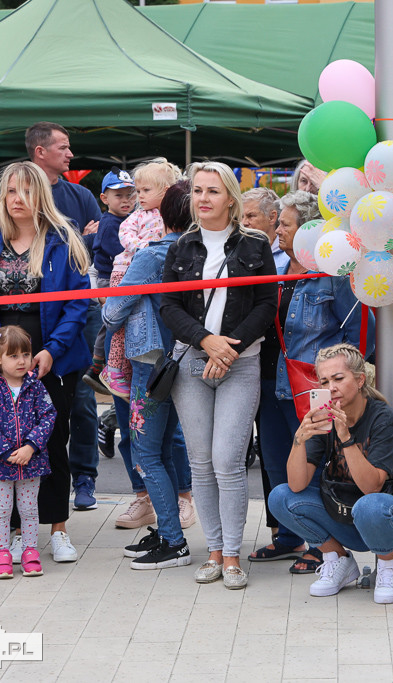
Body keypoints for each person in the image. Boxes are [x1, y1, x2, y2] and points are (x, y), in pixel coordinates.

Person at [0, 161, 91, 564]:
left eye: (27, 191)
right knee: (8, 444)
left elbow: (77, 303)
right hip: (0, 353)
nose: (18, 199)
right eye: (12, 191)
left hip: (53, 354)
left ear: (42, 196)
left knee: (51, 442)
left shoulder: (63, 239)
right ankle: (19, 532)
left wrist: (52, 349)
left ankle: (57, 530)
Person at [161, 161, 277, 590]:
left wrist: (229, 347)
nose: (203, 199)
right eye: (197, 191)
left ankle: (232, 555)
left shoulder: (255, 244)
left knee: (228, 462)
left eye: (212, 191)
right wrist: (206, 341)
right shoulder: (181, 246)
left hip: (241, 362)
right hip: (192, 360)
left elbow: (267, 304)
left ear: (231, 197)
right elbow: (168, 308)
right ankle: (212, 551)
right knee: (201, 463)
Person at [247, 190, 375, 574]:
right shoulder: (276, 266)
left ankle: (326, 546)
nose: (278, 230)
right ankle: (287, 537)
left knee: (316, 463)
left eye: (285, 224)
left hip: (313, 388)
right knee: (274, 462)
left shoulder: (332, 274)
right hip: (269, 381)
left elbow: (357, 335)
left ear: (308, 230)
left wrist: (343, 384)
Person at [269, 344, 393, 604]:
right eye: (324, 381)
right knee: (280, 497)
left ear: (360, 380)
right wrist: (299, 440)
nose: (331, 388)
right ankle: (338, 559)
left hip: (392, 519)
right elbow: (296, 485)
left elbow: (372, 487)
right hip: (344, 513)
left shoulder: (383, 419)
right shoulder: (324, 420)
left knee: (369, 504)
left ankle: (387, 565)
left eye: (339, 378)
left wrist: (346, 438)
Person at [103, 179, 194, 570]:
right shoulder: (201, 253)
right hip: (190, 358)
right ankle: (169, 527)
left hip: (151, 365)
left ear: (163, 213)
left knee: (145, 453)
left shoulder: (152, 255)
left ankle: (173, 541)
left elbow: (111, 311)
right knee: (165, 449)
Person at [25, 122, 102, 515]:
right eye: (63, 147)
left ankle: (84, 476)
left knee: (83, 396)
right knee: (26, 403)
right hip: (28, 319)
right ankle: (32, 487)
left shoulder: (81, 195)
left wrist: (82, 241)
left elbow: (93, 249)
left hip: (77, 309)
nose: (71, 155)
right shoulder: (18, 192)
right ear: (40, 151)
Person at [0, 325, 57, 579]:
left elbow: (48, 416)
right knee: (1, 510)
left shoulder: (35, 386)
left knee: (29, 508)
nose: (21, 361)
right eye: (13, 356)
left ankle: (30, 551)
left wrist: (30, 447)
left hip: (31, 462)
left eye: (25, 354)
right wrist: (7, 452)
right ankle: (2, 553)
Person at [100, 159, 182, 397]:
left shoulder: (167, 216)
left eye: (145, 190)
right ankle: (112, 369)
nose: (139, 196)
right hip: (124, 270)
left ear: (166, 191)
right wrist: (146, 248)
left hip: (145, 273)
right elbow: (124, 235)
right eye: (139, 191)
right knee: (121, 326)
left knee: (133, 324)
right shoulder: (138, 216)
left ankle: (121, 370)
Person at [81, 168, 136, 394]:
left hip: (121, 278)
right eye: (118, 195)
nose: (125, 200)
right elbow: (120, 253)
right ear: (104, 199)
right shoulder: (110, 223)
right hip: (108, 279)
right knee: (111, 322)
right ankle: (98, 364)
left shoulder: (129, 219)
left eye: (130, 194)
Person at [241, 187, 286, 271]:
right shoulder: (236, 250)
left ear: (272, 217)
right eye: (241, 217)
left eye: (251, 216)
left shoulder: (289, 254)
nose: (243, 223)